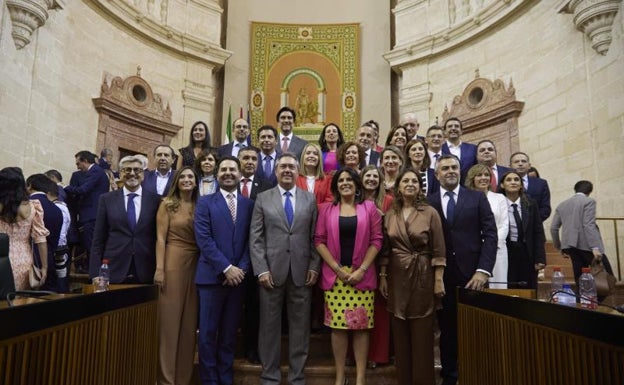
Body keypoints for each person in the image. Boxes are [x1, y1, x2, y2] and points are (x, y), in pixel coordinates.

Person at [250, 153, 320, 385]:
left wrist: (314, 265)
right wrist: (261, 269)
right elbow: (256, 238)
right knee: (269, 329)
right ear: (276, 171)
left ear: (298, 170)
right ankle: (269, 377)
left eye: (291, 166)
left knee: (300, 330)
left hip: (302, 273)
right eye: (283, 167)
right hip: (270, 273)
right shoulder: (263, 198)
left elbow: (315, 237)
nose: (287, 170)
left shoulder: (310, 200)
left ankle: (297, 378)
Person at [428, 154, 497, 385]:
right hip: (442, 276)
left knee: (476, 328)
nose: (450, 171)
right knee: (447, 330)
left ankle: (476, 374)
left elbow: (490, 235)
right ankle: (450, 376)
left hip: (473, 275)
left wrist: (483, 270)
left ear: (460, 171)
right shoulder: (429, 202)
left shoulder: (476, 198)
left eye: (454, 167)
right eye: (445, 168)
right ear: (437, 174)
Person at [315, 168, 383, 385]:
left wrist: (361, 269)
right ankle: (339, 375)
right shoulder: (326, 209)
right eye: (341, 180)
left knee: (361, 327)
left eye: (349, 180)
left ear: (356, 185)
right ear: (336, 186)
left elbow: (377, 240)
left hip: (361, 277)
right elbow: (319, 240)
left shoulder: (369, 207)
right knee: (338, 328)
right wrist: (337, 269)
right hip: (336, 278)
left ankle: (360, 377)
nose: (345, 183)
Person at [379, 169, 446, 385]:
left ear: (419, 186)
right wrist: (382, 276)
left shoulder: (430, 212)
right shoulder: (390, 214)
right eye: (405, 180)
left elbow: (439, 249)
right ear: (397, 187)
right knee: (400, 335)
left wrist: (438, 279)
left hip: (423, 275)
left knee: (422, 336)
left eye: (414, 181)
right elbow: (386, 250)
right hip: (396, 277)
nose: (410, 184)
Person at [195, 156, 255, 385]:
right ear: (217, 174)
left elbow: (252, 240)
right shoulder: (205, 202)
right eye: (224, 170)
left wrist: (240, 269)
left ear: (240, 175)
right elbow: (204, 239)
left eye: (232, 169)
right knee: (208, 336)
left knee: (229, 337)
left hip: (238, 281)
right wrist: (226, 268)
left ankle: (226, 380)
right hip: (211, 279)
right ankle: (210, 381)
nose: (228, 173)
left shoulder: (249, 205)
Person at [154, 166, 200, 385]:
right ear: (176, 180)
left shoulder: (201, 205)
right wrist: (160, 269)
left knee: (189, 324)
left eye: (191, 176)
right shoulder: (167, 204)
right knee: (169, 323)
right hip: (173, 260)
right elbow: (161, 239)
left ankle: (183, 379)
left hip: (197, 264)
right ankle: (166, 379)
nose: (187, 180)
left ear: (196, 181)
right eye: (182, 176)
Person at [90, 155, 161, 283]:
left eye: (137, 170)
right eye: (127, 170)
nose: (132, 174)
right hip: (113, 269)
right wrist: (95, 272)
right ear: (121, 173)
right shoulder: (106, 199)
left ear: (143, 174)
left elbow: (158, 237)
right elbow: (98, 238)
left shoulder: (155, 200)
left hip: (146, 269)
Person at [237, 146, 270, 363]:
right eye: (245, 158)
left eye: (253, 159)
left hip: (256, 255)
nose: (250, 161)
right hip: (231, 255)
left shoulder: (267, 187)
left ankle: (252, 349)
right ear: (238, 160)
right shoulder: (227, 184)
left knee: (254, 307)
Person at [550, 180, 614, 284]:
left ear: (575, 190)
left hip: (569, 246)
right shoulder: (589, 201)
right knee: (608, 277)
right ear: (590, 191)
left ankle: (583, 299)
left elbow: (553, 228)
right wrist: (595, 247)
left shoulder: (562, 204)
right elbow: (588, 224)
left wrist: (559, 247)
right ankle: (597, 299)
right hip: (587, 245)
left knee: (580, 277)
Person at [359, 165, 392, 369]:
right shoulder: (354, 200)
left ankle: (378, 355)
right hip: (358, 261)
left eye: (375, 176)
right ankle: (356, 356)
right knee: (359, 312)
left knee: (379, 312)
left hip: (381, 261)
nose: (371, 179)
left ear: (380, 181)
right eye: (367, 176)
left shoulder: (388, 201)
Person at [0, 167, 49, 290]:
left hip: (1, 259)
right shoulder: (32, 207)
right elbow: (40, 239)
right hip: (24, 261)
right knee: (19, 302)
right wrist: (44, 267)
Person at [64, 150, 110, 273]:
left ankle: (94, 274)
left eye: (78, 164)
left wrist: (65, 188)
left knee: (91, 247)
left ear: (85, 161)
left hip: (92, 215)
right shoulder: (96, 171)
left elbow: (83, 190)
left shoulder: (95, 171)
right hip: (91, 215)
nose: (78, 167)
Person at [465, 164, 509, 289]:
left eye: (487, 175)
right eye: (479, 175)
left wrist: (491, 243)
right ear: (472, 178)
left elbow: (504, 225)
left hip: (497, 249)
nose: (484, 178)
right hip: (474, 249)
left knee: (498, 287)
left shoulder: (499, 198)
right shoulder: (466, 199)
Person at [499, 171, 546, 289]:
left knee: (528, 288)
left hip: (527, 252)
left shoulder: (530, 203)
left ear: (521, 185)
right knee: (509, 287)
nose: (513, 182)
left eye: (516, 180)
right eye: (508, 180)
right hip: (507, 251)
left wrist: (540, 258)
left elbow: (538, 232)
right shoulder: (497, 204)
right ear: (502, 185)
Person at [26, 174, 63, 292]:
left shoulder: (28, 206)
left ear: (30, 185)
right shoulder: (57, 209)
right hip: (50, 260)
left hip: (30, 262)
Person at [509, 151, 551, 221]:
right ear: (510, 166)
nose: (520, 164)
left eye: (523, 161)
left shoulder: (541, 183)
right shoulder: (504, 183)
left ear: (529, 166)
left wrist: (532, 222)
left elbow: (545, 208)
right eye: (516, 162)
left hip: (535, 227)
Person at [441, 117, 477, 183]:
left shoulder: (473, 148)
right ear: (445, 132)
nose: (453, 128)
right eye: (450, 126)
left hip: (469, 189)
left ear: (461, 131)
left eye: (456, 126)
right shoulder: (440, 149)